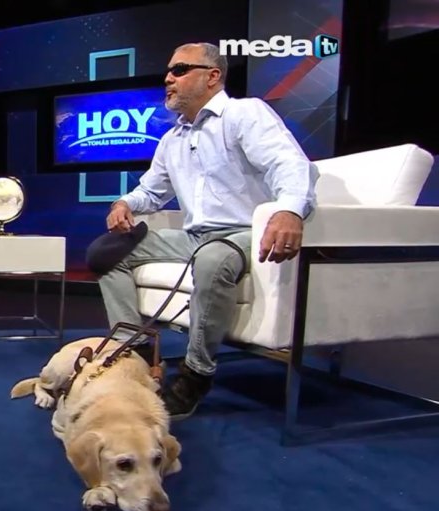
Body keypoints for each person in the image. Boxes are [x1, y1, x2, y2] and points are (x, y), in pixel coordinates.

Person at [97, 42, 318, 420]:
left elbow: (288, 164)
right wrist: (124, 204)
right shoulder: (172, 139)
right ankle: (134, 350)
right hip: (195, 236)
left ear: (212, 76)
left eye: (180, 70)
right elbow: (151, 191)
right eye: (169, 71)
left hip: (245, 232)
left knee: (212, 258)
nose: (168, 78)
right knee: (106, 251)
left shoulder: (244, 114)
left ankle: (196, 374)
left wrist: (289, 210)